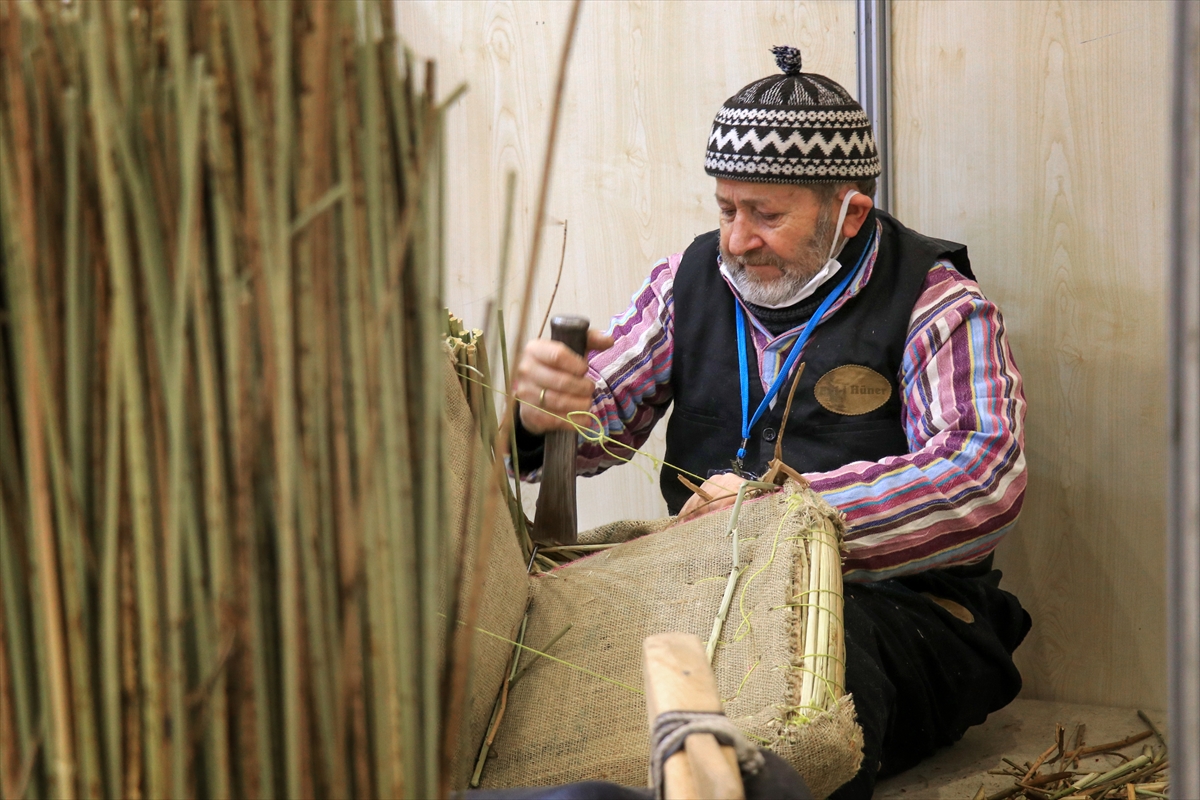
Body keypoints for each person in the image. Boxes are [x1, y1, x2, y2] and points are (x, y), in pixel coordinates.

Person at [512, 46, 1031, 799]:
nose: (736, 239)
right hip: (702, 587)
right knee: (568, 660)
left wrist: (785, 515)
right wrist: (542, 421)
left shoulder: (937, 303)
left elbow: (982, 477)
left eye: (767, 215)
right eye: (727, 209)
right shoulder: (690, 280)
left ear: (849, 213)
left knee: (810, 683)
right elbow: (602, 419)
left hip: (895, 605)